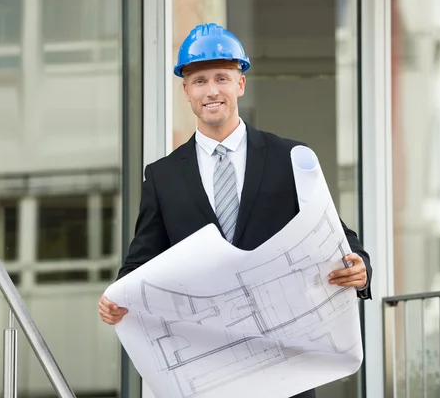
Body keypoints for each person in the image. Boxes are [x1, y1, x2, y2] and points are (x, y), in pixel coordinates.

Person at [99, 23, 372, 398]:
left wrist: (358, 266)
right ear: (186, 91)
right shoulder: (162, 177)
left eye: (222, 78)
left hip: (284, 366)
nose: (211, 91)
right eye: (199, 81)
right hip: (210, 368)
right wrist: (118, 298)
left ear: (240, 84)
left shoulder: (288, 158)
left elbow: (336, 237)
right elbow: (141, 264)